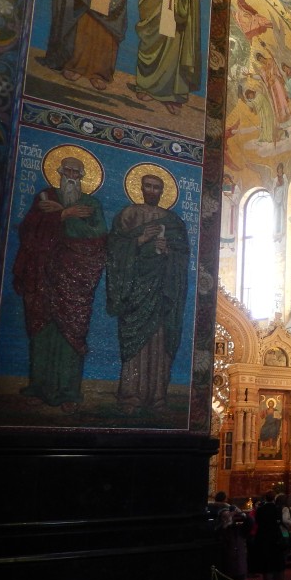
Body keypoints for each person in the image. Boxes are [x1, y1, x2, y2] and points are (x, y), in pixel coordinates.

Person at [13, 154, 107, 412]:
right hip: (42, 276)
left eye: (77, 172)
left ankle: (69, 393)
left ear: (83, 177)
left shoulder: (92, 204)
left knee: (72, 334)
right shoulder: (45, 199)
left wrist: (70, 218)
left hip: (77, 281)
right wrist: (64, 214)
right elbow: (28, 232)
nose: (72, 176)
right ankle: (38, 388)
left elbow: (98, 238)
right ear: (59, 171)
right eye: (68, 170)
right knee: (42, 331)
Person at [106, 171, 189, 415]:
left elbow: (182, 253)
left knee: (160, 342)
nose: (152, 191)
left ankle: (158, 397)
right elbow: (114, 249)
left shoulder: (173, 221)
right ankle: (130, 396)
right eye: (148, 186)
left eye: (156, 188)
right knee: (135, 344)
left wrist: (167, 250)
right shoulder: (128, 215)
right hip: (135, 291)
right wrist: (141, 239)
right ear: (140, 188)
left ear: (162, 192)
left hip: (162, 291)